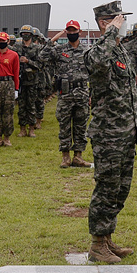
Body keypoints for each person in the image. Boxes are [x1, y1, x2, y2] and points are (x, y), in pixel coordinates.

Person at [84, 1, 137, 263]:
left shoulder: (120, 51)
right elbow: (96, 62)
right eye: (118, 19)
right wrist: (109, 33)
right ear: (105, 23)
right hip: (108, 134)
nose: (123, 23)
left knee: (120, 189)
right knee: (106, 188)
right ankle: (96, 245)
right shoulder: (97, 51)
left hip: (126, 133)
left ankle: (107, 238)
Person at [41, 20, 92, 167]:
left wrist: (91, 94)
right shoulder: (59, 50)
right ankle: (65, 157)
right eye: (69, 31)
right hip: (65, 93)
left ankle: (78, 156)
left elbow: (93, 73)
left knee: (81, 125)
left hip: (82, 92)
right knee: (64, 125)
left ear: (79, 32)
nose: (71, 34)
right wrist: (52, 41)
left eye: (74, 31)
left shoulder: (86, 51)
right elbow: (42, 57)